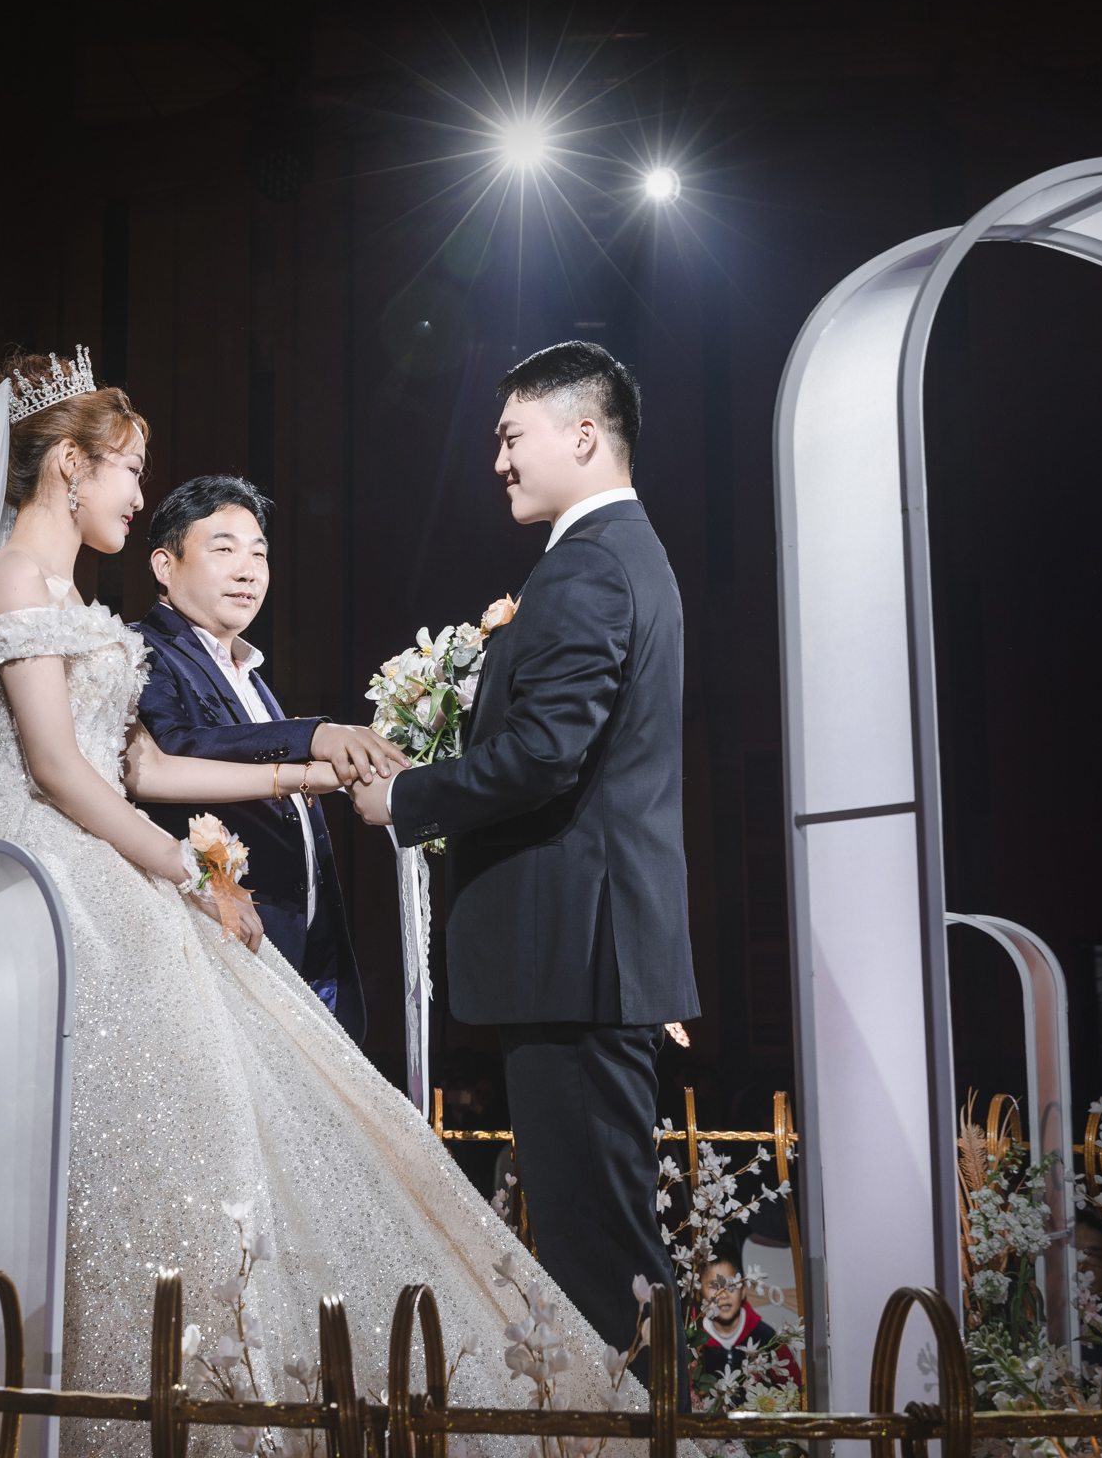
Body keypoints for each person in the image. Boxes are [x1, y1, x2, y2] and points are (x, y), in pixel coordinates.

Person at [0, 348, 652, 1435]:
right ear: (70, 466)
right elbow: (59, 770)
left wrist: (311, 772)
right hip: (40, 878)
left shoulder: (75, 597)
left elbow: (147, 765)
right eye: (131, 469)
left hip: (106, 858)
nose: (138, 492)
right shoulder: (10, 580)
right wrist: (185, 869)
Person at [352, 339, 699, 1358]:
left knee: (603, 1264)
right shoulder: (623, 554)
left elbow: (546, 752)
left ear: (583, 434)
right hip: (586, 956)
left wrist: (405, 795)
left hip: (574, 961)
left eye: (512, 437)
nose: (498, 461)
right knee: (604, 1249)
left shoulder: (589, 565)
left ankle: (650, 1426)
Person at [130, 473, 405, 1040]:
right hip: (222, 936)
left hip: (303, 939)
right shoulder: (142, 650)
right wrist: (312, 738)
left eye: (258, 553)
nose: (248, 570)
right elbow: (177, 747)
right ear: (165, 565)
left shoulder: (250, 673)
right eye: (224, 550)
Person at [686, 1247, 798, 1411]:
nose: (723, 1294)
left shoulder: (768, 1338)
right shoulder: (690, 1344)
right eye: (714, 1286)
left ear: (744, 1290)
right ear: (699, 1293)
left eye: (731, 1284)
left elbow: (795, 1389)